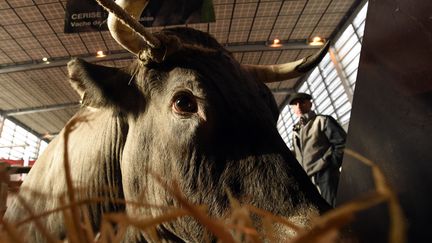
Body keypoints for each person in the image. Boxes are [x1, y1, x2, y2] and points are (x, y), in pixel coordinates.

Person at [289, 92, 346, 207]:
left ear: (310, 103)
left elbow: (342, 144)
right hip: (308, 180)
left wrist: (330, 166)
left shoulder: (322, 120)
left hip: (325, 175)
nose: (298, 106)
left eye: (302, 102)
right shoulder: (295, 132)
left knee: (335, 209)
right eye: (295, 104)